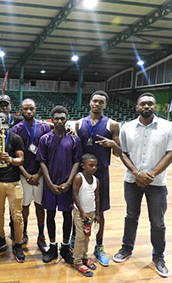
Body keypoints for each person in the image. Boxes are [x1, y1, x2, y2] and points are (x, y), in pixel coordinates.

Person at [113, 93, 172, 278]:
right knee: (131, 216)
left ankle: (158, 257)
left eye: (150, 104)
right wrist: (137, 173)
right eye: (143, 104)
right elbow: (123, 153)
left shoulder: (168, 127)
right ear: (137, 107)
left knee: (158, 222)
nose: (146, 106)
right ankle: (126, 249)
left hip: (157, 183)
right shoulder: (127, 127)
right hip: (132, 181)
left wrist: (151, 174)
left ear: (155, 107)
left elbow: (170, 153)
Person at [75, 90, 120, 266]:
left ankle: (99, 246)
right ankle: (75, 240)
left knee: (99, 211)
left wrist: (113, 144)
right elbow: (76, 147)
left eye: (101, 102)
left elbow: (118, 152)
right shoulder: (80, 123)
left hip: (101, 173)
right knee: (78, 210)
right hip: (82, 173)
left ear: (105, 105)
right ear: (90, 102)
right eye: (95, 101)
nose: (97, 104)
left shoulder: (112, 124)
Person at [36, 105, 82, 264]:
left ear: (67, 119)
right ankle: (53, 246)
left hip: (67, 185)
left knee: (67, 215)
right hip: (50, 185)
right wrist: (49, 183)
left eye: (62, 118)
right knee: (50, 214)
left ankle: (65, 246)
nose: (59, 121)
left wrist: (69, 182)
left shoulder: (74, 139)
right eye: (56, 118)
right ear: (52, 120)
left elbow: (77, 162)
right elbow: (42, 163)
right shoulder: (45, 139)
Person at [12, 98, 51, 252]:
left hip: (41, 175)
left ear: (36, 110)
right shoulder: (16, 129)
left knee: (40, 206)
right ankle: (24, 232)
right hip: (23, 174)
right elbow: (13, 155)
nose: (28, 111)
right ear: (21, 110)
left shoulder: (45, 127)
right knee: (24, 206)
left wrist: (38, 174)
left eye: (31, 109)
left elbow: (48, 154)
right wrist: (26, 174)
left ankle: (41, 235)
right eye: (25, 109)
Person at [0, 112, 26, 263]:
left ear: (8, 125)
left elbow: (21, 160)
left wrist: (10, 159)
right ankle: (1, 239)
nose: (1, 129)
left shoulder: (15, 138)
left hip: (14, 182)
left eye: (3, 126)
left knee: (17, 215)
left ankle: (18, 243)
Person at [72, 154, 101, 277]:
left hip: (91, 212)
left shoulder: (96, 180)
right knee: (80, 237)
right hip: (80, 213)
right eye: (91, 165)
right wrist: (82, 211)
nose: (94, 168)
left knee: (87, 235)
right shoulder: (79, 178)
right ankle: (77, 261)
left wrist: (97, 213)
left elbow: (97, 197)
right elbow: (74, 194)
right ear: (83, 166)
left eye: (95, 166)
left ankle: (84, 256)